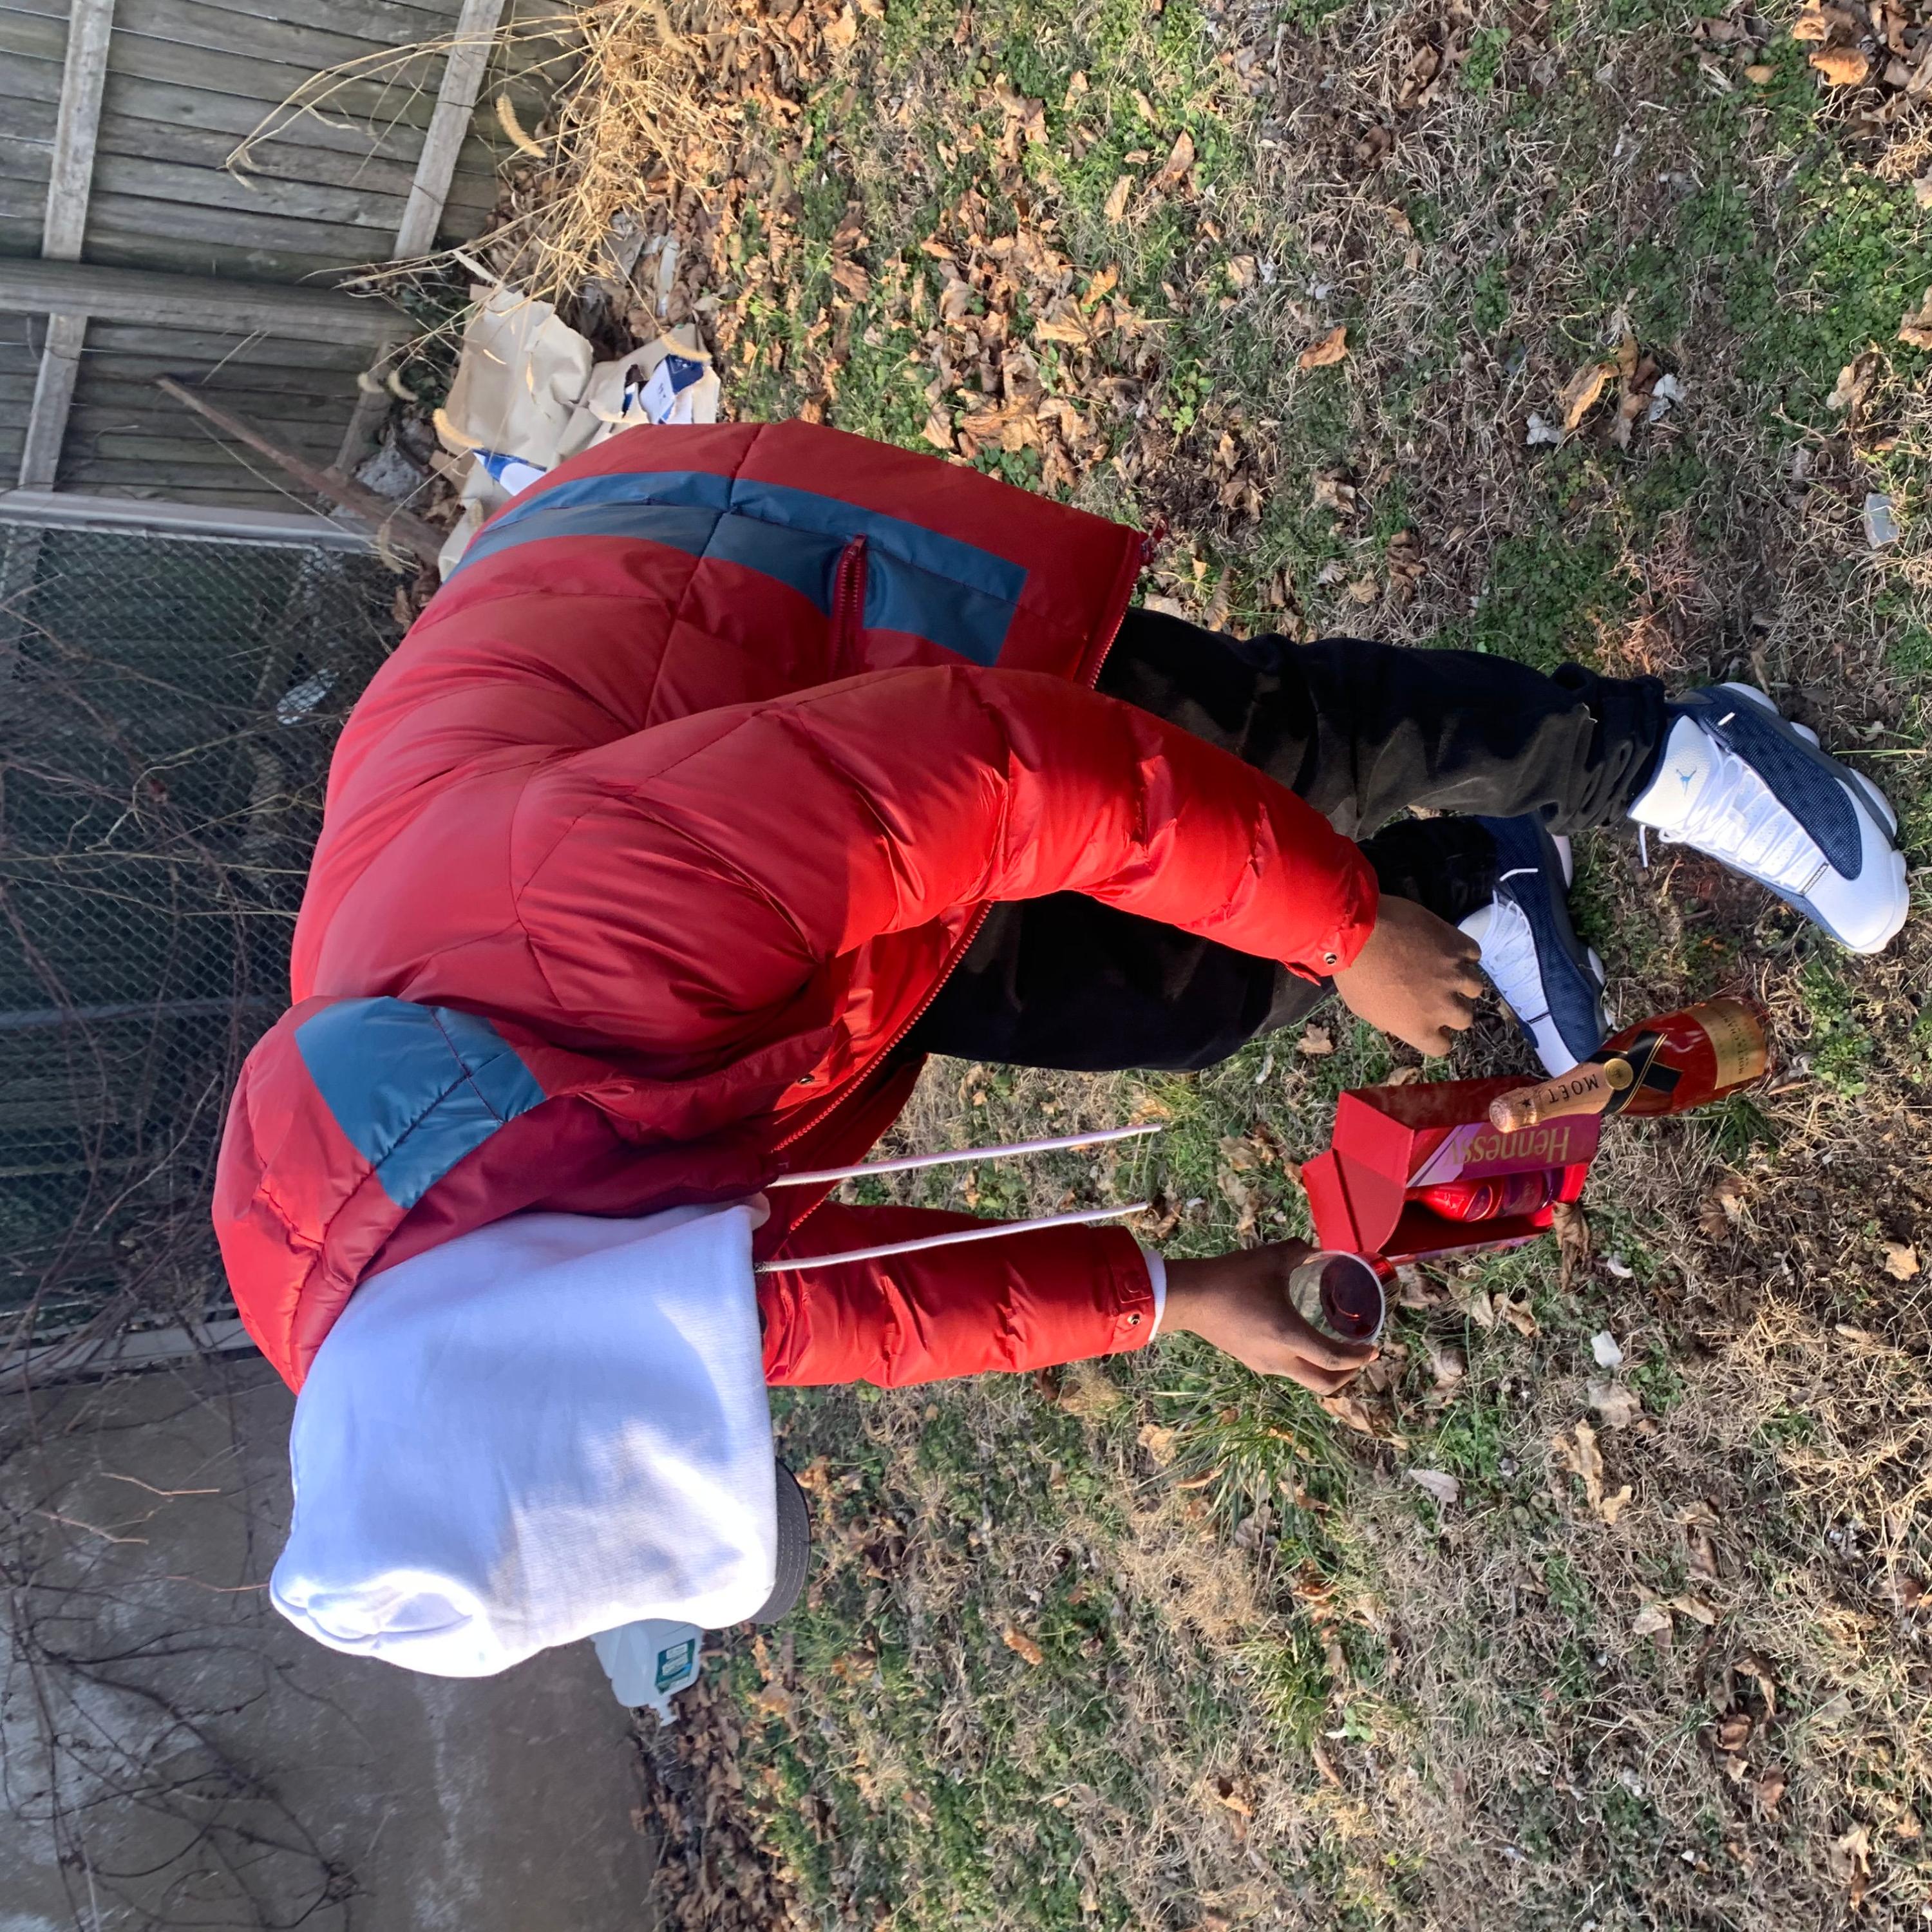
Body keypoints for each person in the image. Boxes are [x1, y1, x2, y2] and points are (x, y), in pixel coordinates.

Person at [217, 421, 1906, 1672]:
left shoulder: (571, 926)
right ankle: (1475, 876)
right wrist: (1178, 1296)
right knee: (1171, 995)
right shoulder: (507, 1333)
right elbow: (845, 1315)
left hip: (720, 609)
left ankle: (1670, 747)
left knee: (1275, 756)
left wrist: (1337, 926)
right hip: (732, 915)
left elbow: (1013, 767)